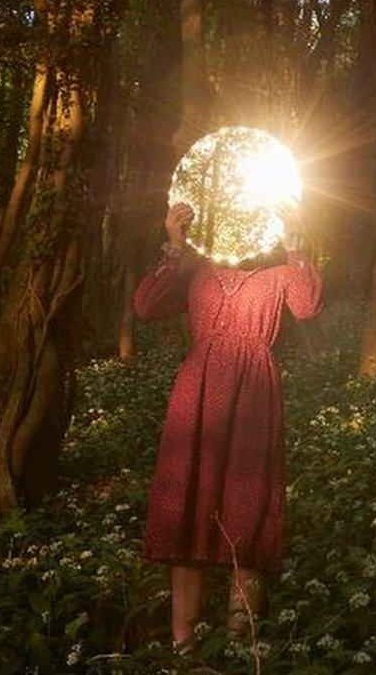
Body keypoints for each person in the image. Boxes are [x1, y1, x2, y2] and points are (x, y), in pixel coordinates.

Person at [134, 202, 323, 645]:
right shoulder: (196, 271)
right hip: (198, 390)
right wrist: (174, 245)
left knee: (249, 503)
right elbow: (145, 305)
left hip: (255, 393)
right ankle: (182, 646)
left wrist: (295, 241)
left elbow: (309, 307)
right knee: (187, 500)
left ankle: (240, 643)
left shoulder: (278, 276)